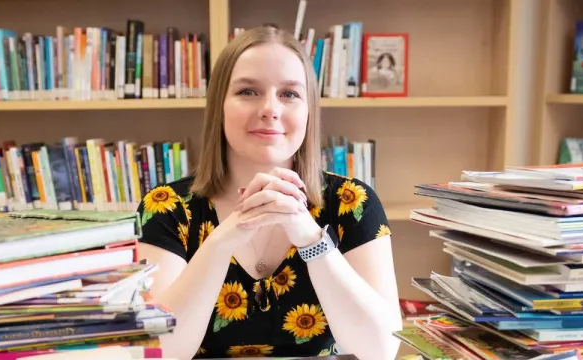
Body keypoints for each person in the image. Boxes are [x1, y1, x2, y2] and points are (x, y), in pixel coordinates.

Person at [136, 26, 402, 359]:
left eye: (290, 94)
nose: (270, 109)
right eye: (248, 91)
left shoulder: (352, 202)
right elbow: (158, 352)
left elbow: (381, 349)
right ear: (219, 105)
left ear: (308, 110)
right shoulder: (166, 207)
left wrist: (310, 239)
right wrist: (224, 240)